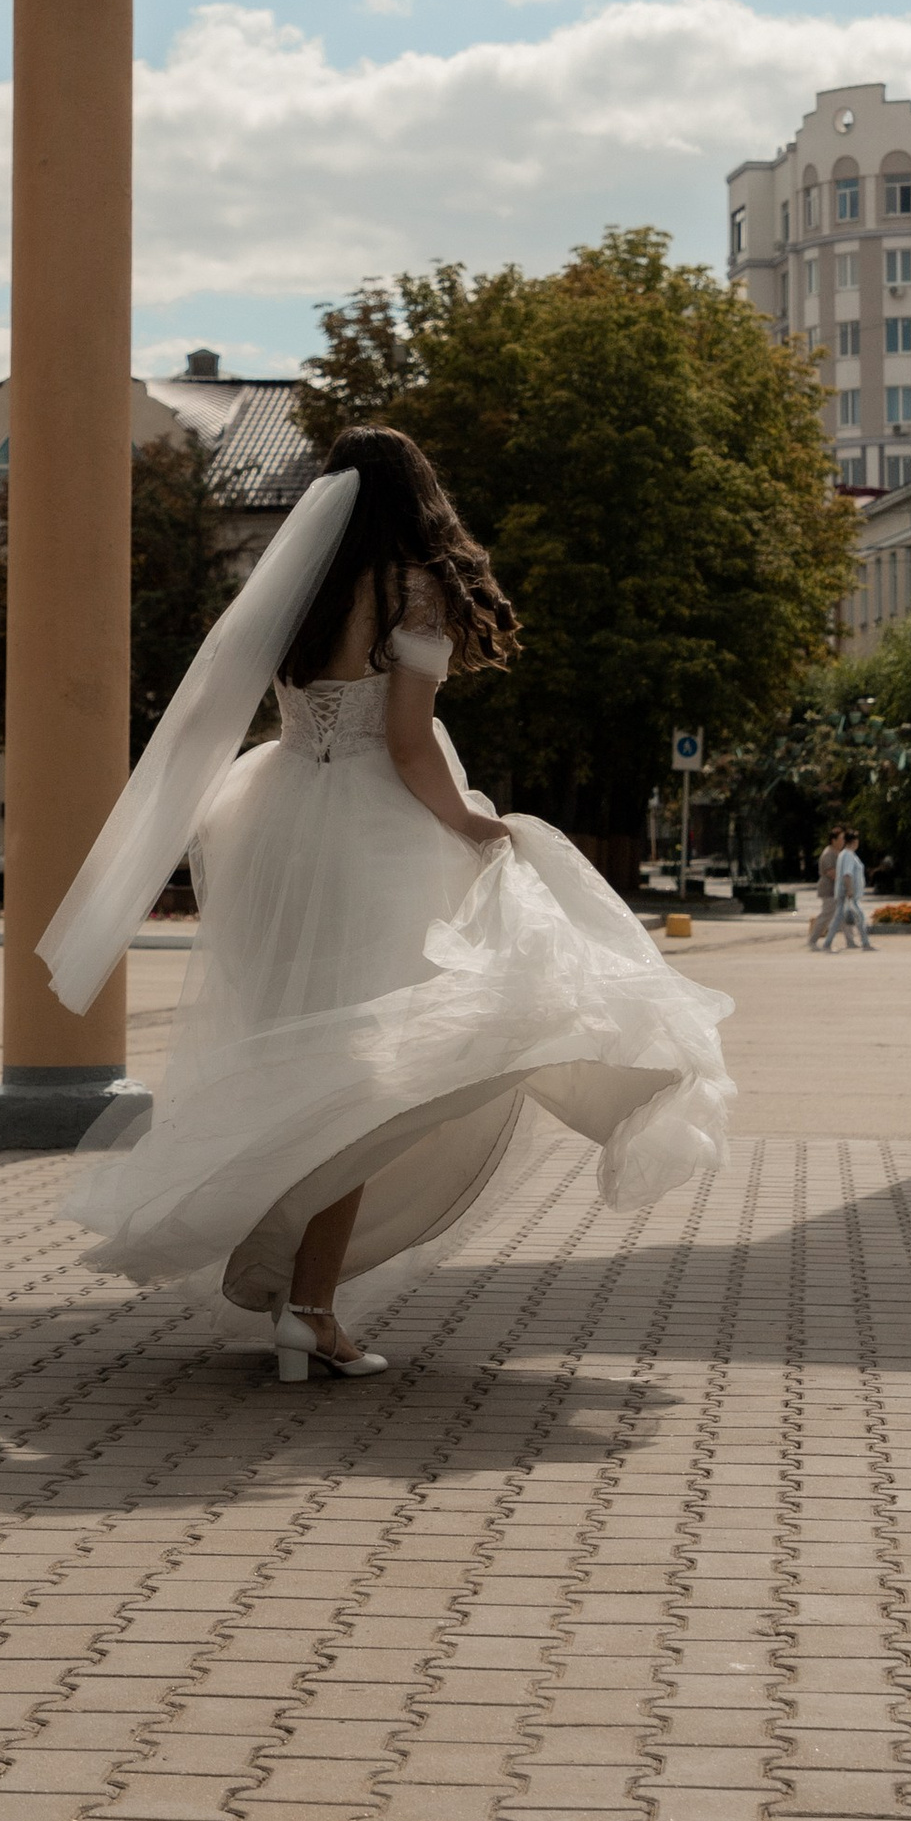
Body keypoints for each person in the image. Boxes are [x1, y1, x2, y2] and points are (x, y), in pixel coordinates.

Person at [51, 425, 734, 1382]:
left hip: (276, 823)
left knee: (312, 1065)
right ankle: (310, 1308)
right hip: (373, 833)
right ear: (417, 496)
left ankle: (299, 1298)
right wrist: (470, 822)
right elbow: (409, 744)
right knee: (365, 1081)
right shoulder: (414, 588)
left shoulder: (300, 589)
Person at [827, 832, 873, 954]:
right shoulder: (848, 855)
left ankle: (828, 943)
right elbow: (847, 874)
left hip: (846, 893)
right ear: (854, 842)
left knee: (839, 918)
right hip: (848, 894)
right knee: (859, 916)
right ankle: (865, 942)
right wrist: (850, 890)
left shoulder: (846, 854)